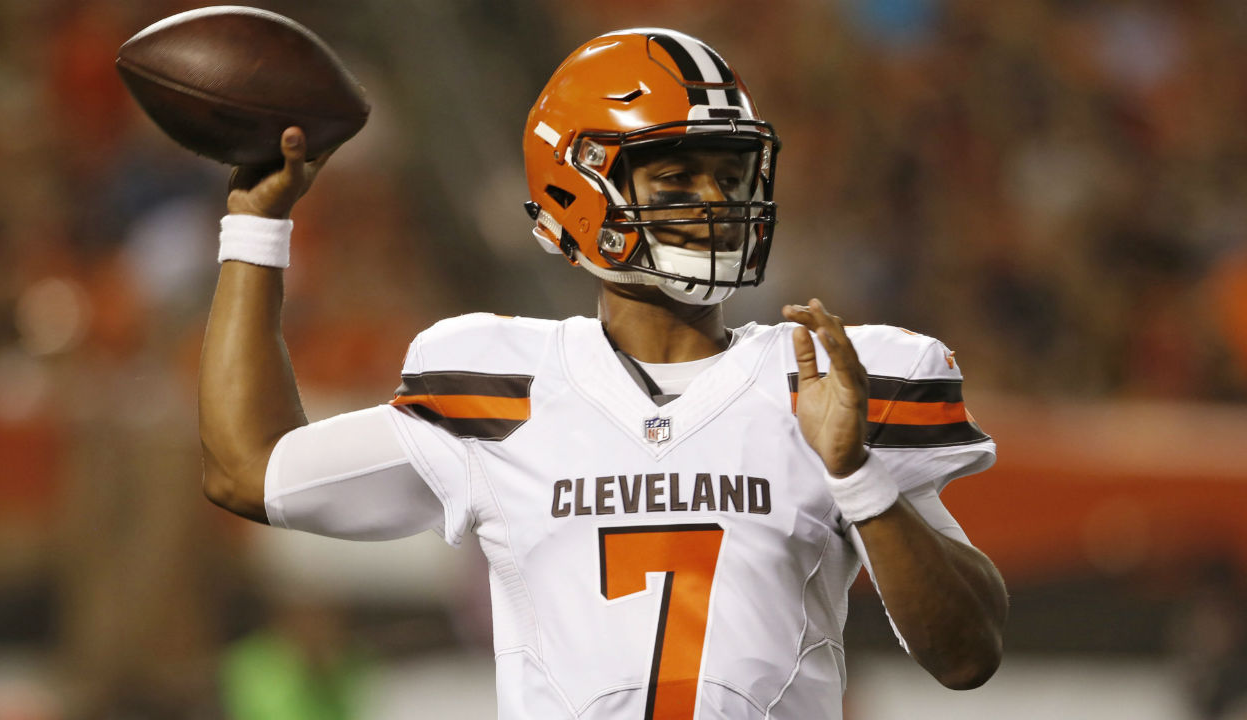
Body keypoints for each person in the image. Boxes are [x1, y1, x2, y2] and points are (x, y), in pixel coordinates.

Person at [198, 28, 1008, 719]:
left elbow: (968, 654)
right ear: (579, 188)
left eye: (730, 176)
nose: (716, 201)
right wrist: (256, 226)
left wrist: (857, 475)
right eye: (676, 177)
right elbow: (250, 470)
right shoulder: (495, 385)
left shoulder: (823, 383)